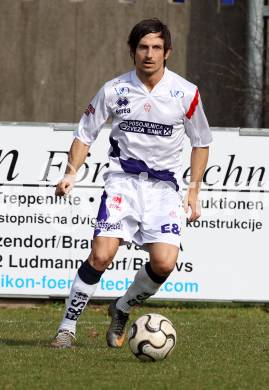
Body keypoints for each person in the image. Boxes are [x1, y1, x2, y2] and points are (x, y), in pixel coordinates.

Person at [51, 18, 212, 349]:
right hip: (123, 184)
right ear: (132, 51)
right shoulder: (114, 89)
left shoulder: (186, 93)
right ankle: (67, 327)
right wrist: (70, 172)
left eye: (156, 48)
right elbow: (85, 133)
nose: (149, 54)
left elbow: (201, 142)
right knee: (101, 255)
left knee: (165, 262)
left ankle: (122, 308)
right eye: (142, 47)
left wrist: (193, 191)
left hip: (164, 190)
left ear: (167, 52)